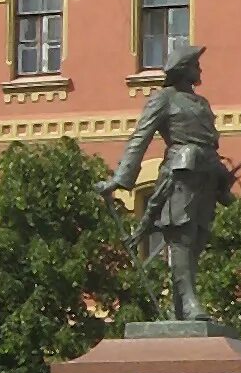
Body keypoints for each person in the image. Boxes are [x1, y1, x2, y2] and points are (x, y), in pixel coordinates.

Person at [100, 43, 233, 321]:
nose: (200, 69)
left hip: (208, 173)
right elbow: (141, 138)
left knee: (197, 238)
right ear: (184, 69)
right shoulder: (164, 99)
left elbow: (210, 140)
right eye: (196, 65)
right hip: (181, 172)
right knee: (181, 236)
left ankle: (181, 308)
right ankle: (190, 303)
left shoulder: (201, 102)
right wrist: (120, 179)